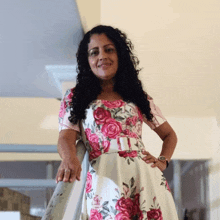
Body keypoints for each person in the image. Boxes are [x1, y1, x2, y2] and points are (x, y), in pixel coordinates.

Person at [56, 25, 179, 219]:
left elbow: (169, 135)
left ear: (120, 55)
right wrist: (69, 158)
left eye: (109, 49)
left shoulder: (138, 96)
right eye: (94, 52)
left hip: (145, 178)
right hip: (104, 179)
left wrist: (163, 161)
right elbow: (65, 137)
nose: (102, 56)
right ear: (87, 60)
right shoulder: (75, 97)